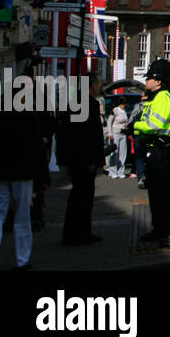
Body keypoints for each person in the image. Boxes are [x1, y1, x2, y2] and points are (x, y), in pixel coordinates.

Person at [0, 48, 44, 271]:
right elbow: (37, 147)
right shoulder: (28, 114)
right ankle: (22, 260)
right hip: (22, 172)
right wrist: (42, 175)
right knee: (22, 216)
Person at [134, 60, 170, 248]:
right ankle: (159, 229)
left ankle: (164, 231)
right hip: (155, 149)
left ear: (158, 81)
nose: (146, 82)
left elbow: (154, 125)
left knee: (161, 193)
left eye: (150, 79)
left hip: (161, 150)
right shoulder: (156, 98)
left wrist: (135, 127)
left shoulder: (163, 99)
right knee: (155, 193)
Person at [58, 75, 105, 246]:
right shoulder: (88, 104)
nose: (100, 87)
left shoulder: (76, 102)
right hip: (84, 160)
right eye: (98, 84)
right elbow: (88, 134)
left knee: (78, 196)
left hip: (77, 159)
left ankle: (75, 233)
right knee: (83, 198)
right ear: (92, 85)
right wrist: (90, 159)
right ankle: (80, 233)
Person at [107, 101, 129, 178]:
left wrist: (126, 125)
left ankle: (120, 171)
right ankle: (113, 171)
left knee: (122, 153)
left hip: (123, 133)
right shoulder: (115, 110)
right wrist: (110, 133)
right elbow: (109, 121)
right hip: (115, 133)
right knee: (114, 152)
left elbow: (126, 121)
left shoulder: (124, 111)